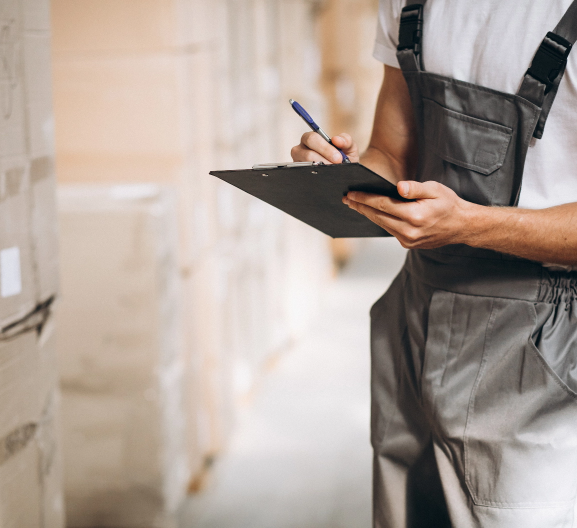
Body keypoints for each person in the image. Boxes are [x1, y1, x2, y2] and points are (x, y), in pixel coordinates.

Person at [291, 1, 577, 527]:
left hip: (544, 344)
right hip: (419, 315)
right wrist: (342, 175)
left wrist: (470, 224)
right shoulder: (407, 4)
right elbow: (392, 154)